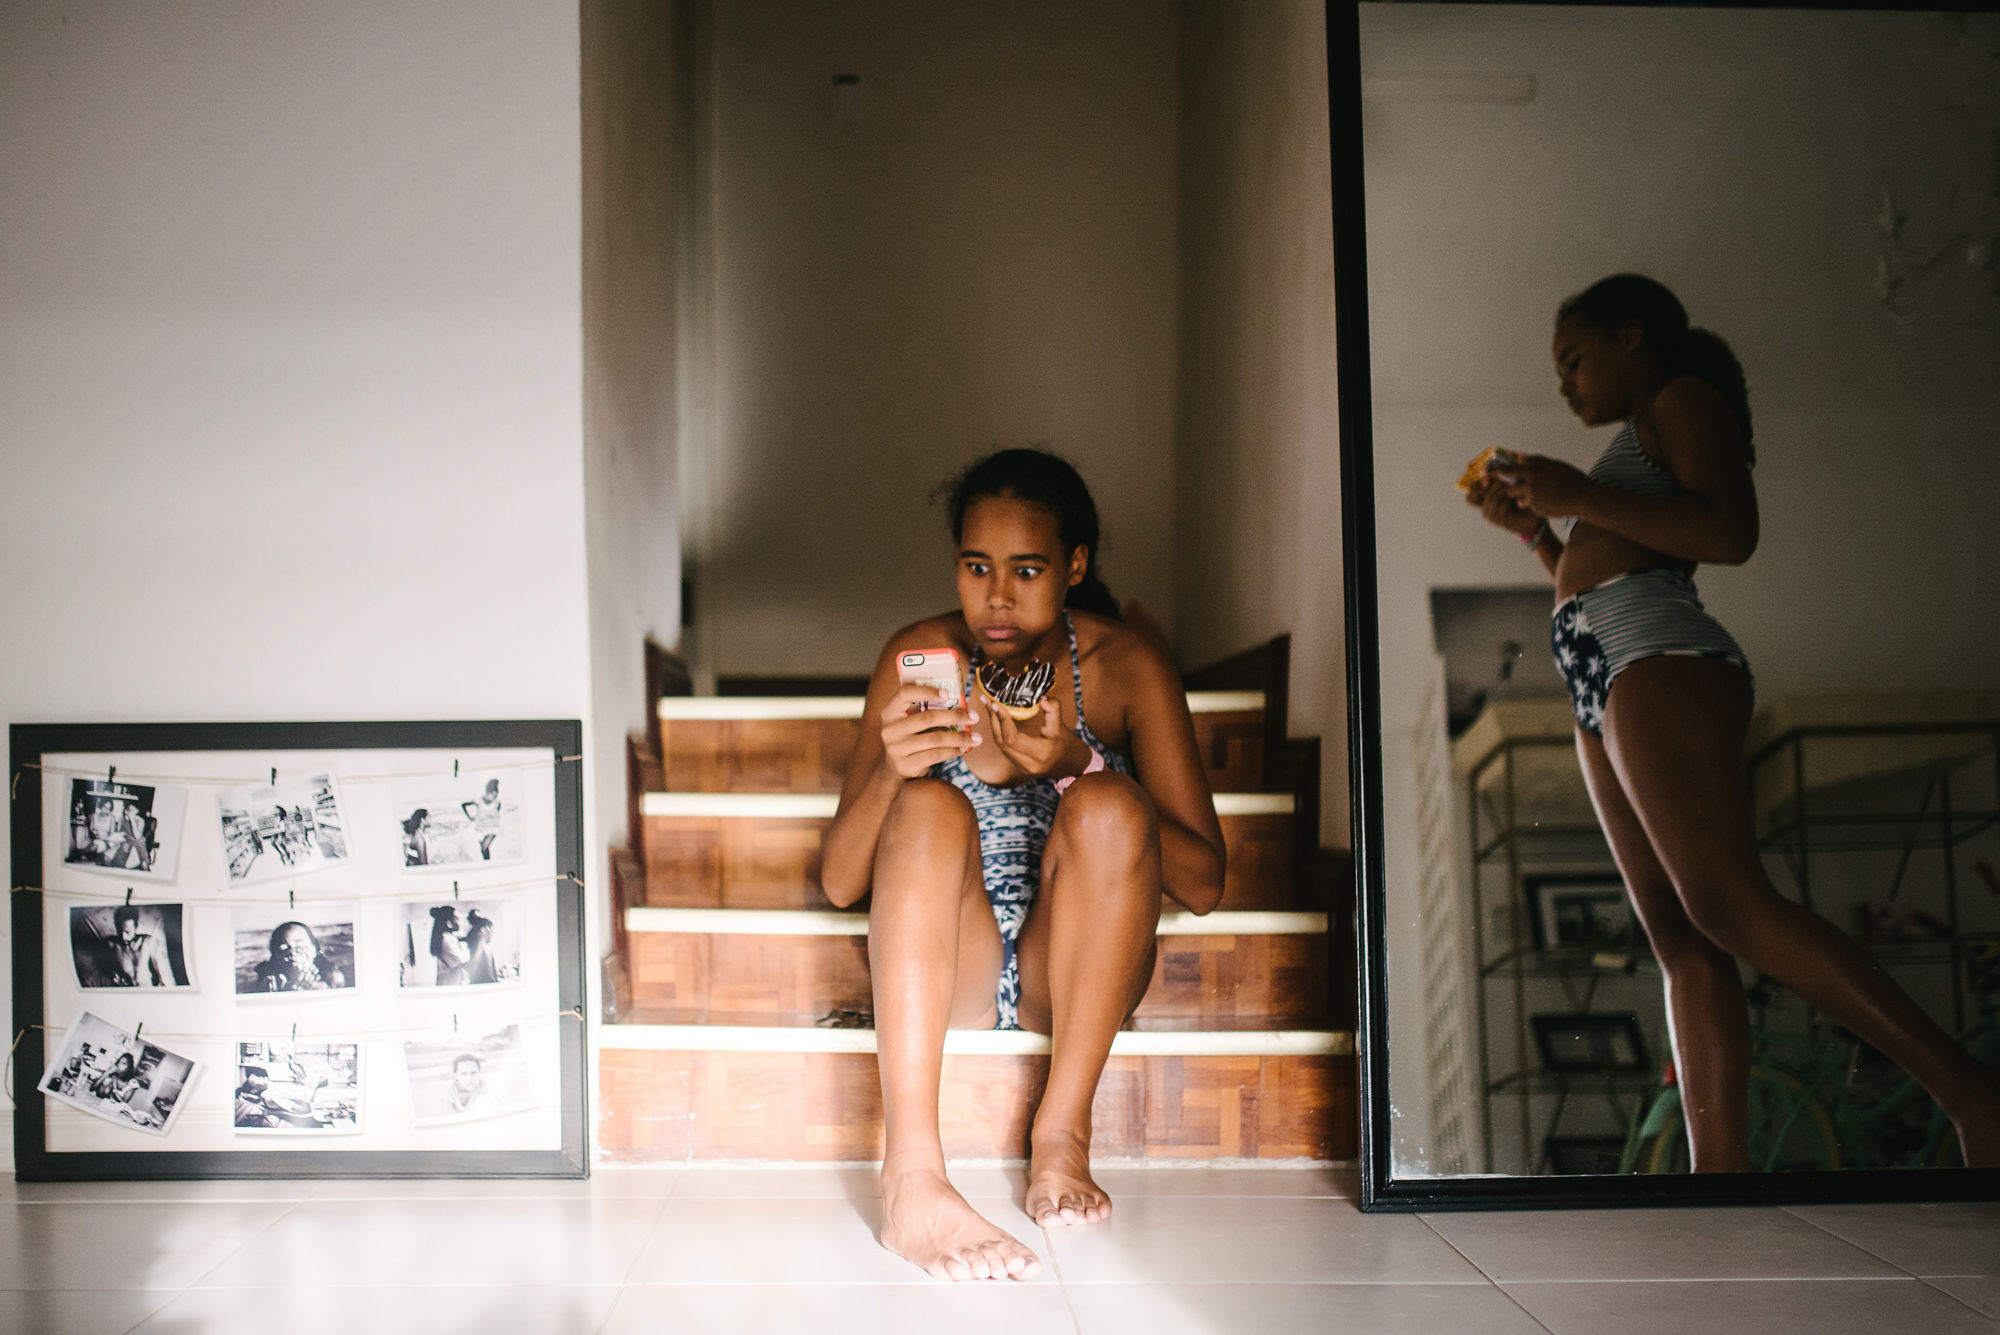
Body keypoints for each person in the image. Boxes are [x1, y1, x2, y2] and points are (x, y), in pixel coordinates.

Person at [1465, 273, 2000, 1170]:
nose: (1564, 383)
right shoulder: (1628, 448)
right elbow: (1595, 570)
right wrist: (1536, 533)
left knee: (1728, 903)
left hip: (1658, 659)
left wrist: (1576, 495)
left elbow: (1729, 532)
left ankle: (1969, 1095)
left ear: (1633, 335)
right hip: (1601, 673)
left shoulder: (1683, 399)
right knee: (1678, 938)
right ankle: (1718, 1175)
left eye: (1574, 358)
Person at [821, 448, 1225, 1281]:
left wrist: (1080, 761)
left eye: (1027, 569)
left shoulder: (1128, 666)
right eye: (976, 567)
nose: (996, 596)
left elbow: (1204, 882)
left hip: (1068, 966)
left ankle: (1060, 1135)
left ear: (1076, 565)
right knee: (929, 805)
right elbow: (838, 881)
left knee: (1111, 805)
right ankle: (914, 1178)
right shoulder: (918, 654)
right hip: (951, 962)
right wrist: (896, 768)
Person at [251, 921, 347, 992]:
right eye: (284, 948)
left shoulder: (333, 977)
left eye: (300, 945)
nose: (293, 952)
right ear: (275, 955)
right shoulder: (269, 982)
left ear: (314, 950)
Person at [101, 906, 172, 987]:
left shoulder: (148, 942)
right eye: (120, 932)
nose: (123, 937)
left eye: (127, 932)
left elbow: (161, 973)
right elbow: (107, 969)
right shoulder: (111, 944)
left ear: (136, 927)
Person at [462, 777, 504, 861]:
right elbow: (463, 805)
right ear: (488, 792)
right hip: (481, 829)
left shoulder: (497, 802)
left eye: (496, 794)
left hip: (493, 828)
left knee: (484, 847)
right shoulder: (479, 800)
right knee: (484, 850)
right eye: (493, 794)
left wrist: (493, 819)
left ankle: (488, 863)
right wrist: (470, 817)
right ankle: (488, 864)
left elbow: (497, 812)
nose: (495, 796)